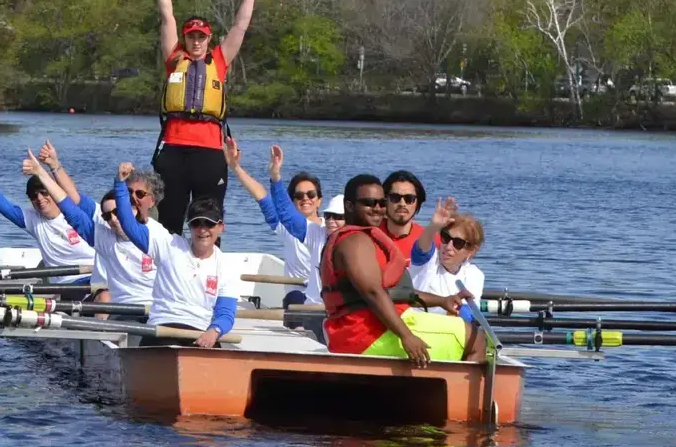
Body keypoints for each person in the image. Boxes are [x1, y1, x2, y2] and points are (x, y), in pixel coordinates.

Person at [148, 0, 263, 234]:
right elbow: (167, 16)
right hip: (174, 149)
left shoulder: (219, 60)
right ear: (184, 39)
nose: (196, 42)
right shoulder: (174, 59)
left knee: (209, 219)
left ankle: (210, 271)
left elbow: (241, 25)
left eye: (201, 37)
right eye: (191, 37)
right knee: (169, 219)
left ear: (208, 39)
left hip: (210, 151)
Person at [318, 174, 484, 367]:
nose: (377, 209)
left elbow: (397, 291)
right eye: (369, 203)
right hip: (366, 333)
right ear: (349, 206)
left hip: (367, 330)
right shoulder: (355, 241)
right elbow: (373, 292)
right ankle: (461, 397)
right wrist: (407, 336)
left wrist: (442, 300)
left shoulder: (362, 238)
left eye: (381, 203)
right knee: (476, 339)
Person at [113, 164, 238, 348]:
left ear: (220, 227)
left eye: (209, 224)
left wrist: (215, 330)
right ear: (189, 226)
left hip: (200, 333)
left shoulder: (225, 266)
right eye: (197, 224)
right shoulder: (168, 244)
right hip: (162, 327)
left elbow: (226, 312)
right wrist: (120, 185)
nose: (202, 230)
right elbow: (129, 224)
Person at [24, 146, 162, 306]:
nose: (114, 219)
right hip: (113, 303)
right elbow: (70, 204)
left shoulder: (160, 237)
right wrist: (46, 170)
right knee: (105, 297)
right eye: (127, 192)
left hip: (153, 310)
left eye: (139, 194)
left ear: (152, 202)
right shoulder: (105, 233)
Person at [225, 139, 326, 309]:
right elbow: (261, 196)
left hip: (327, 294)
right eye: (299, 196)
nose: (306, 199)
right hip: (298, 294)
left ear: (320, 200)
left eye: (311, 194)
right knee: (296, 300)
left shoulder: (330, 228)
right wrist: (236, 167)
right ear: (290, 202)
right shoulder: (287, 228)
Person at [0, 157, 94, 271]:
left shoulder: (77, 213)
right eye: (33, 195)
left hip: (94, 277)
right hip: (65, 283)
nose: (40, 199)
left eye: (44, 192)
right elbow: (4, 206)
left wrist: (53, 163)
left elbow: (72, 191)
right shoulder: (33, 219)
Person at [409, 197, 486, 314]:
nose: (448, 247)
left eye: (458, 243)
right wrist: (433, 226)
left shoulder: (474, 274)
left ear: (471, 251)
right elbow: (421, 249)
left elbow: (468, 316)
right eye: (446, 238)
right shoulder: (429, 262)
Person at [380, 170, 427, 260]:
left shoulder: (430, 241)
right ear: (385, 200)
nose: (402, 203)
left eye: (409, 199)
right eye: (395, 198)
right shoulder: (368, 238)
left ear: (418, 203)